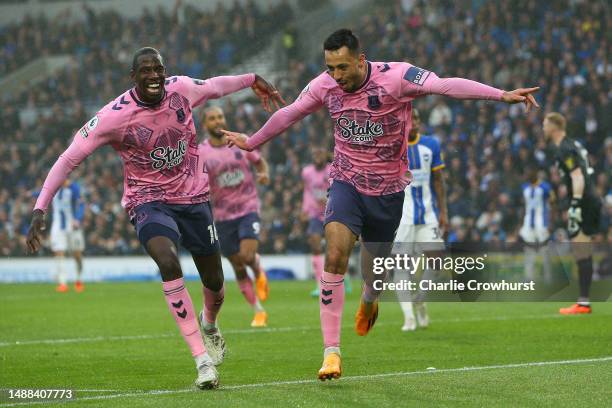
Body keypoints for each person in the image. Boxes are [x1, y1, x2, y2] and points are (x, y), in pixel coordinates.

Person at [222, 29, 539, 380]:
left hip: (388, 192)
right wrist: (252, 142)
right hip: (346, 182)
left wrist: (501, 95)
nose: (336, 76)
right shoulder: (324, 85)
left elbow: (446, 85)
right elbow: (291, 113)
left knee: (375, 273)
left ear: (361, 59)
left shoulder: (398, 77)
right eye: (330, 67)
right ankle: (331, 352)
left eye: (342, 67)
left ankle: (370, 298)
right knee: (336, 254)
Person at [26, 47, 284, 389]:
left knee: (216, 283)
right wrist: (40, 208)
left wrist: (252, 79)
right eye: (145, 70)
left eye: (158, 69)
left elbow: (215, 85)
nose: (154, 75)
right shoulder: (113, 116)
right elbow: (69, 158)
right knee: (168, 261)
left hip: (194, 197)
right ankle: (202, 362)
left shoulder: (181, 89)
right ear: (133, 77)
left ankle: (209, 324)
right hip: (148, 201)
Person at [199, 106, 270, 328]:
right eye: (212, 118)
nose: (217, 121)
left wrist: (264, 173)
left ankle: (258, 269)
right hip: (221, 216)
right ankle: (258, 311)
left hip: (248, 208)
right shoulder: (201, 152)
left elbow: (259, 161)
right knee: (238, 266)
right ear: (205, 124)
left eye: (220, 116)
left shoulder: (240, 141)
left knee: (247, 256)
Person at [392, 108, 448, 331]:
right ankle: (409, 317)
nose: (412, 122)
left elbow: (438, 180)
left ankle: (420, 298)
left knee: (437, 261)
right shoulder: (394, 147)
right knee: (401, 266)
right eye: (408, 119)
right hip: (402, 218)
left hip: (427, 215)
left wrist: (444, 211)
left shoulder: (431, 144)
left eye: (416, 118)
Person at [542, 112, 602, 314]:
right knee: (583, 249)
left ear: (554, 126)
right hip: (590, 199)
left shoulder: (564, 148)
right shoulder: (572, 144)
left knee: (581, 249)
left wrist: (575, 203)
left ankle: (583, 303)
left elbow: (577, 177)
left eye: (545, 124)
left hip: (584, 201)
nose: (543, 128)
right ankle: (583, 301)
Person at [302, 147, 331, 297]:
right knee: (315, 244)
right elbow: (307, 191)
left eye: (320, 152)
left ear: (326, 155)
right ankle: (320, 284)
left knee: (335, 249)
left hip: (333, 212)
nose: (317, 155)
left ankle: (341, 280)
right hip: (315, 214)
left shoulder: (332, 170)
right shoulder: (307, 172)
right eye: (315, 153)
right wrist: (305, 209)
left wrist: (329, 199)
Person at [49, 179, 86, 292]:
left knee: (77, 254)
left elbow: (81, 204)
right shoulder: (52, 188)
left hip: (73, 225)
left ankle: (79, 279)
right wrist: (30, 193)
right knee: (59, 252)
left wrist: (78, 219)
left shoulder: (74, 188)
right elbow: (41, 193)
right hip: (58, 227)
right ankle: (62, 283)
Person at [519, 168, 554, 283]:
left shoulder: (544, 187)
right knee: (529, 250)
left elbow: (553, 201)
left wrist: (549, 221)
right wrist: (522, 222)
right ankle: (529, 278)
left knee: (545, 250)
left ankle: (548, 277)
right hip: (529, 222)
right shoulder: (525, 187)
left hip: (541, 222)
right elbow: (525, 206)